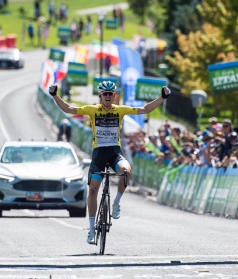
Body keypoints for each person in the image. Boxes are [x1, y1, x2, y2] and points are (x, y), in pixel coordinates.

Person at [48, 80, 170, 244]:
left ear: (114, 96)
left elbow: (145, 109)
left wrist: (161, 97)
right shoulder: (92, 110)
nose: (107, 97)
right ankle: (91, 230)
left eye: (110, 94)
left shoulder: (120, 110)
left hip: (114, 153)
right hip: (99, 154)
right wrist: (55, 95)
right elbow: (68, 109)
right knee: (92, 191)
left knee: (126, 171)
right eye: (105, 94)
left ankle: (116, 203)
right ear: (100, 96)